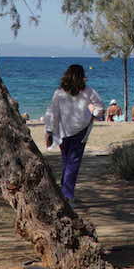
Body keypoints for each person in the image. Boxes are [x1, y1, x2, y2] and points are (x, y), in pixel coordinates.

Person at [43, 64, 104, 206]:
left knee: (67, 162)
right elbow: (100, 109)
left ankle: (64, 193)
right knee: (73, 164)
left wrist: (49, 130)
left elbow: (52, 113)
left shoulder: (59, 92)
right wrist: (93, 112)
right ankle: (67, 195)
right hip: (81, 131)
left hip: (63, 131)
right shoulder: (89, 91)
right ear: (82, 76)